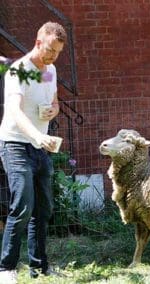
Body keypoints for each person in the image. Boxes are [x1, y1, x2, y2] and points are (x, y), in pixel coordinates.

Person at [0, 22, 66, 283]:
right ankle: (6, 269)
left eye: (58, 52)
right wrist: (38, 135)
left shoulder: (49, 70)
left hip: (40, 147)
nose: (53, 56)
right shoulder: (19, 71)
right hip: (15, 144)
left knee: (44, 208)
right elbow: (14, 111)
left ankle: (39, 267)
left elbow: (54, 100)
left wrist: (54, 110)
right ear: (39, 43)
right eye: (50, 50)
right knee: (23, 206)